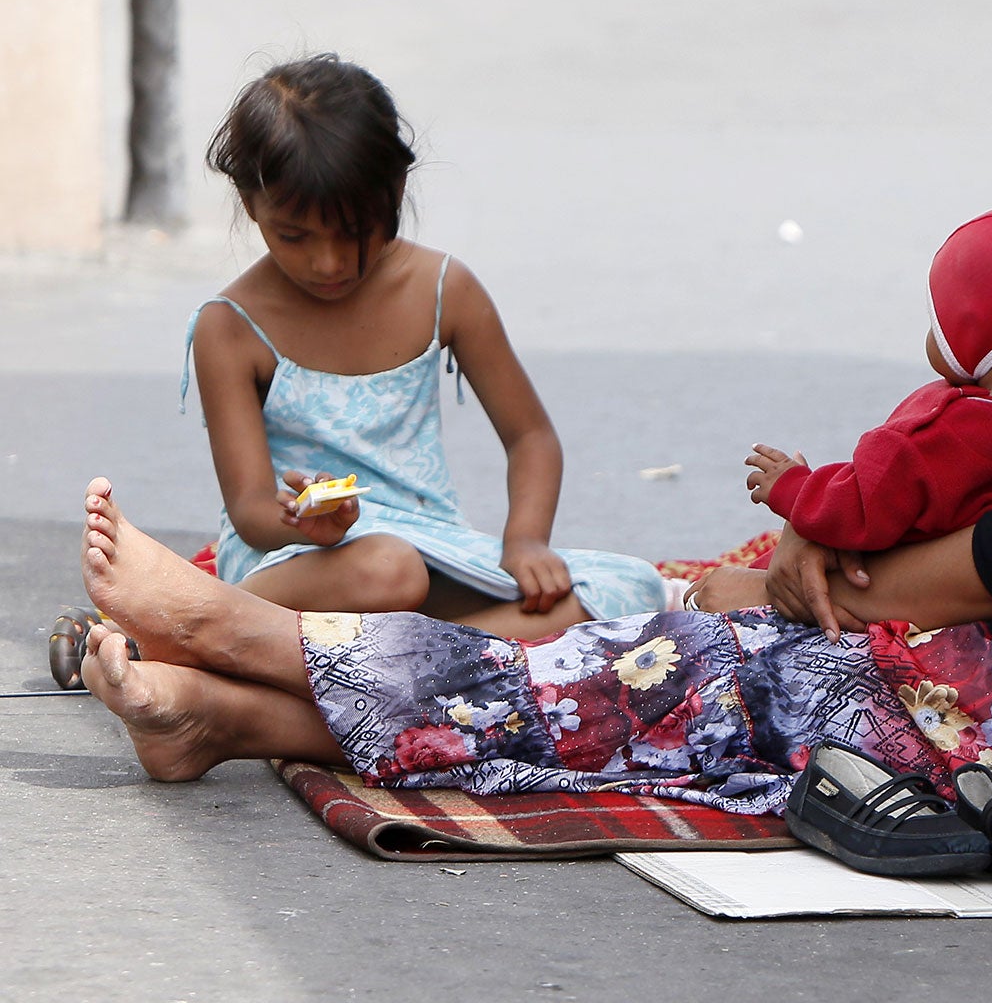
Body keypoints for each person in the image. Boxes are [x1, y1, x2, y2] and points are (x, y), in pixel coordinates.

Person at [78, 0, 992, 820]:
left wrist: (841, 585)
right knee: (719, 618)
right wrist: (818, 560)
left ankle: (256, 645)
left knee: (719, 677)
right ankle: (229, 715)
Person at [182, 55, 664, 636]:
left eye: (355, 231)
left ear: (396, 190)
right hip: (298, 568)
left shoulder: (444, 290)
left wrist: (525, 542)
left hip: (432, 550)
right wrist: (307, 523)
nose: (328, 262)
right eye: (294, 236)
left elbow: (530, 436)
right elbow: (252, 510)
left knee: (633, 588)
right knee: (388, 571)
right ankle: (223, 631)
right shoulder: (230, 327)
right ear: (248, 200)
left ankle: (391, 667)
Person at [742, 203, 992, 555]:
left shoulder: (929, 439)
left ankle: (687, 594)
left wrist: (792, 486)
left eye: (937, 323)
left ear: (971, 328)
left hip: (905, 573)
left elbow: (860, 509)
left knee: (768, 568)